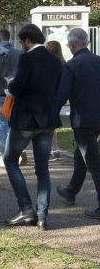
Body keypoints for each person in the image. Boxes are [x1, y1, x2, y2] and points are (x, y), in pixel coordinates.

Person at [3, 24, 62, 231]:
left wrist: (9, 84)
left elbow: (17, 87)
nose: (22, 45)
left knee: (10, 159)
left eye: (22, 41)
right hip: (47, 120)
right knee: (42, 169)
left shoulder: (27, 58)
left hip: (26, 118)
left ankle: (26, 209)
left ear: (27, 40)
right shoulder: (55, 60)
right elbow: (57, 89)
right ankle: (42, 215)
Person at [55, 28, 100, 221]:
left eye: (68, 45)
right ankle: (71, 190)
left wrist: (48, 110)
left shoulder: (72, 65)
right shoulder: (98, 61)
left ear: (73, 45)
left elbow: (61, 95)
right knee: (81, 155)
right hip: (97, 117)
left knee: (93, 161)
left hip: (83, 119)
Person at [0, 29, 23, 166]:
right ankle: (17, 153)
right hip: (17, 93)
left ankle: (5, 156)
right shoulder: (19, 53)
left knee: (2, 125)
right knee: (14, 124)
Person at [46, 40, 66, 158]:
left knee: (48, 123)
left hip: (48, 95)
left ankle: (50, 147)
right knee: (53, 122)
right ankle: (55, 147)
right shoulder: (63, 63)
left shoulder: (47, 64)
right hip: (58, 96)